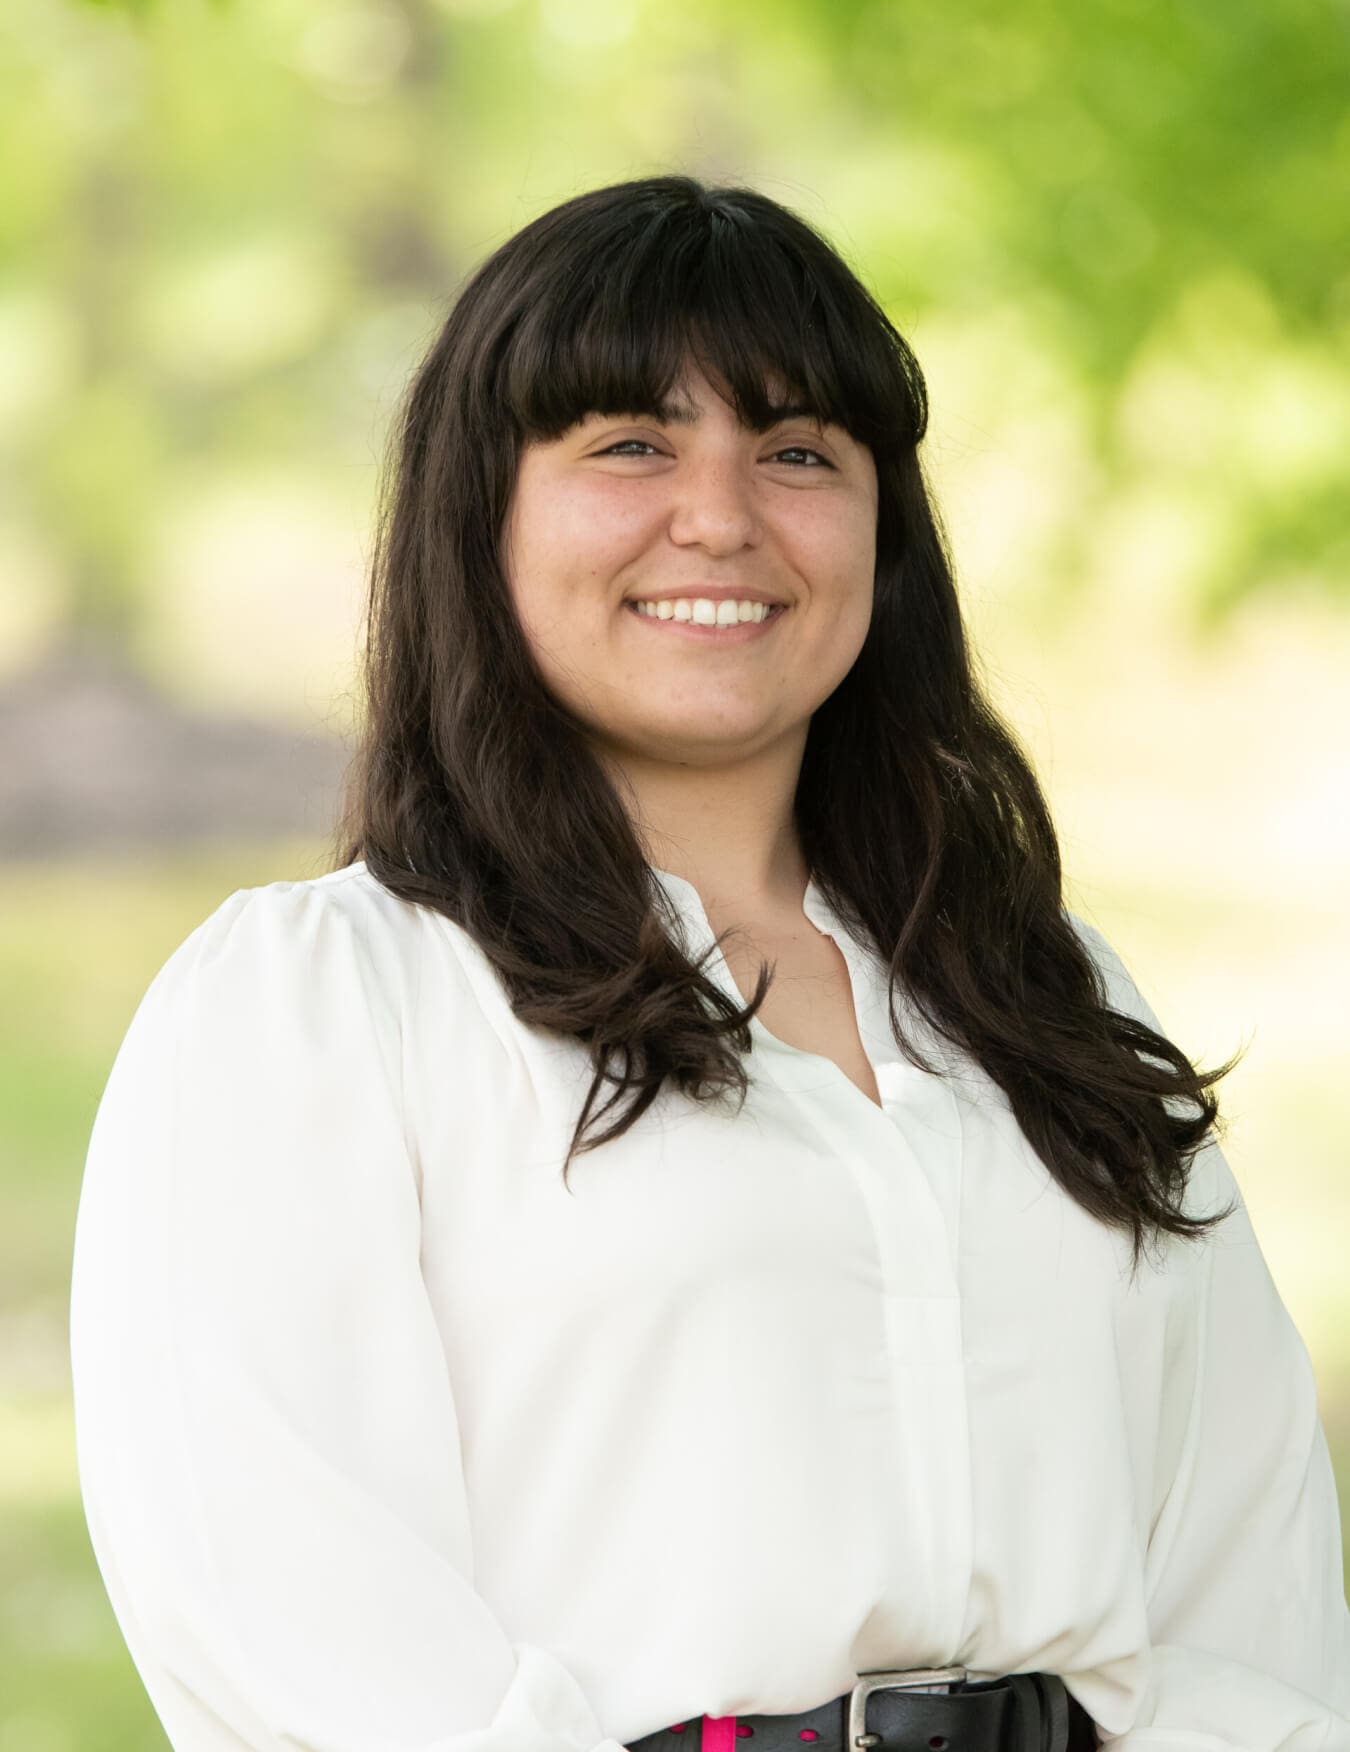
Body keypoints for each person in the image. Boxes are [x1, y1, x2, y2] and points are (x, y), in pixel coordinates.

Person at [69, 174, 1350, 1752]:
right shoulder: (324, 1012)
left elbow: (1248, 1554)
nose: (721, 515)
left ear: (883, 535)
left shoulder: (1045, 998)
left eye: (799, 451)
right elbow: (289, 1612)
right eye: (629, 443)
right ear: (483, 512)